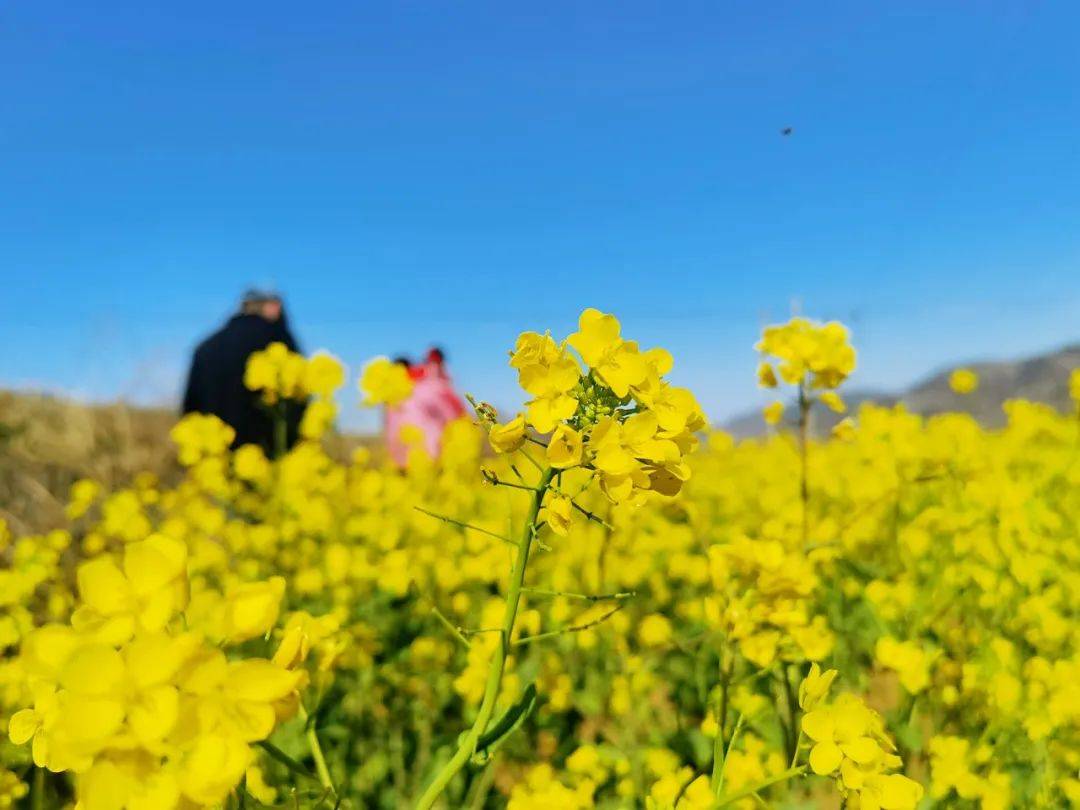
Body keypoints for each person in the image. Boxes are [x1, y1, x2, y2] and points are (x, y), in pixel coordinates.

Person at [182, 289, 305, 453]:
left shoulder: (205, 347)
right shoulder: (280, 344)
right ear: (273, 307)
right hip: (268, 460)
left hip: (213, 458)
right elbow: (299, 399)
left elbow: (189, 409)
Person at [385, 348, 467, 466]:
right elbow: (456, 413)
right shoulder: (432, 385)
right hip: (425, 455)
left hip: (414, 457)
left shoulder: (422, 385)